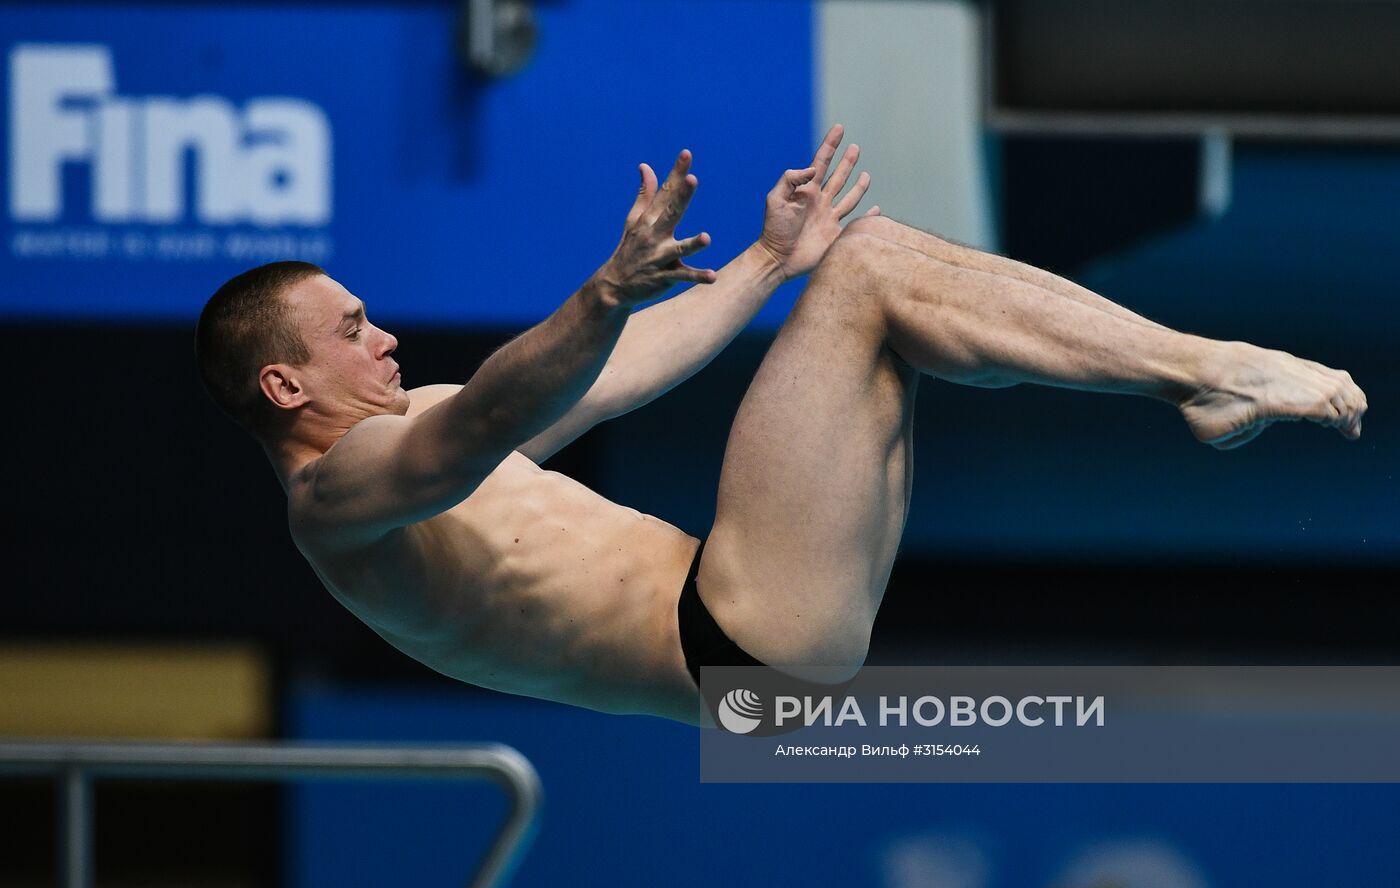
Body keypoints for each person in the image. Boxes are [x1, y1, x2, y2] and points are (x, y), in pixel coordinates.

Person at [195, 126, 1367, 725]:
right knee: (871, 273)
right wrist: (601, 292)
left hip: (758, 650)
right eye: (350, 329)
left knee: (879, 277)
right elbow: (502, 406)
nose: (383, 340)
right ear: (286, 387)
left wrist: (764, 261)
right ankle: (1202, 373)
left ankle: (1195, 375)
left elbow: (608, 383)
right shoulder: (338, 498)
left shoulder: (405, 434)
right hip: (737, 639)